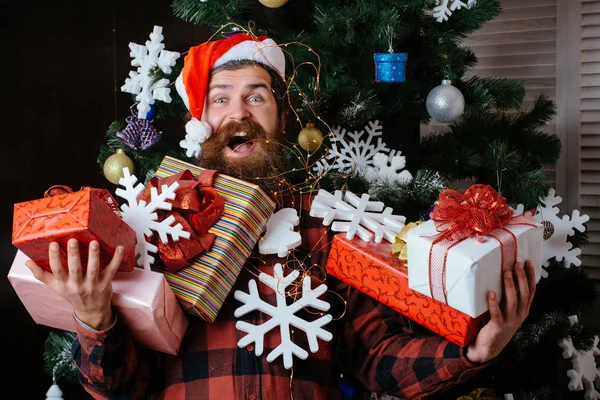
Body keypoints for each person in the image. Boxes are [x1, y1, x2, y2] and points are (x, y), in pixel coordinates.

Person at [25, 33, 537, 400]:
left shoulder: (324, 228)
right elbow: (122, 389)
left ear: (281, 119)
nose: (239, 112)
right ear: (200, 122)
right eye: (220, 99)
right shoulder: (152, 225)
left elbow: (379, 357)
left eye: (257, 97)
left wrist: (473, 352)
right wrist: (95, 323)